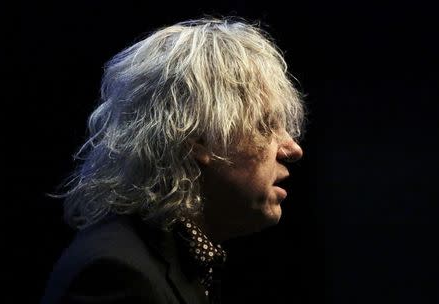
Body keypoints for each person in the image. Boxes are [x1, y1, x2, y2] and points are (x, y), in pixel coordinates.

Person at [41, 17, 305, 304]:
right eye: (265, 126)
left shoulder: (179, 261)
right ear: (198, 139)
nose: (292, 148)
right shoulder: (116, 274)